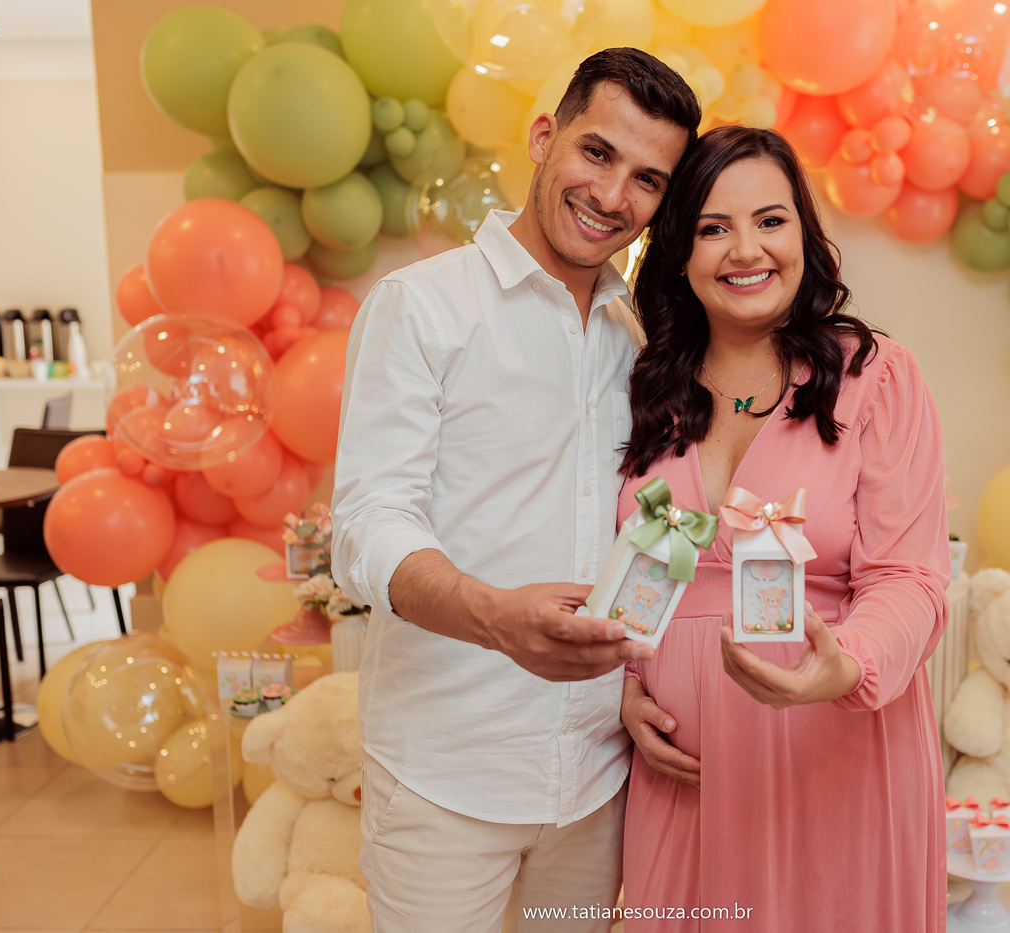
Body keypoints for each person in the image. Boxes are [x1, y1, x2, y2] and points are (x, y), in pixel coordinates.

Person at [331, 48, 700, 933]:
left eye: (647, 179)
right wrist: (494, 615)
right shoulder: (421, 305)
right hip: (445, 773)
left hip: (595, 776)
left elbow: (647, 525)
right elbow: (367, 525)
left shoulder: (638, 334)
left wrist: (632, 686)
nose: (611, 195)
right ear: (544, 137)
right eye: (597, 152)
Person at [618, 125, 951, 931]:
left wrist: (847, 666)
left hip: (832, 755)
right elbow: (649, 562)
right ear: (679, 251)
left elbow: (909, 577)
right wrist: (624, 688)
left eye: (770, 220)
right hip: (682, 773)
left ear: (804, 232)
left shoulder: (874, 376)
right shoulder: (651, 385)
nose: (746, 250)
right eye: (713, 227)